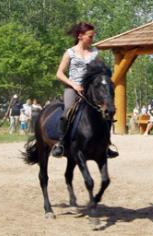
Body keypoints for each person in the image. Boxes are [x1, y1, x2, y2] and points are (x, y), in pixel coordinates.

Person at [52, 22, 118, 158]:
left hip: (90, 92)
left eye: (93, 36)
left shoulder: (95, 53)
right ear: (80, 36)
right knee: (67, 113)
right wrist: (74, 85)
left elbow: (100, 71)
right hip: (72, 89)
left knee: (106, 113)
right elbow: (59, 73)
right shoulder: (69, 52)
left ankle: (106, 145)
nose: (92, 39)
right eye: (90, 36)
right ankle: (61, 143)